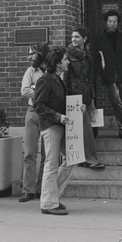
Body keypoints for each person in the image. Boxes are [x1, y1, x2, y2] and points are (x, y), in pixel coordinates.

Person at [33, 48, 81, 215]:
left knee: (71, 159)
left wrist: (76, 109)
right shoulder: (45, 80)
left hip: (59, 125)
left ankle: (52, 196)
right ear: (58, 63)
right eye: (65, 60)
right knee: (51, 164)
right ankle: (48, 203)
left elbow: (62, 102)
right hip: (51, 126)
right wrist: (58, 116)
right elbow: (38, 105)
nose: (68, 62)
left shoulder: (58, 79)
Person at [92, 10, 122, 139]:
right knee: (116, 101)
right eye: (110, 21)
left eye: (114, 22)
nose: (112, 24)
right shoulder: (99, 38)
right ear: (106, 22)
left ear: (118, 23)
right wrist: (101, 72)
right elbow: (95, 58)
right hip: (109, 75)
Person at [65, 26, 105, 169]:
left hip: (86, 95)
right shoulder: (68, 54)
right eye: (72, 37)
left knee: (87, 127)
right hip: (74, 96)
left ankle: (84, 158)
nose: (73, 39)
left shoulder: (87, 55)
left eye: (77, 37)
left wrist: (92, 99)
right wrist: (69, 98)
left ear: (84, 39)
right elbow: (65, 78)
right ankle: (90, 159)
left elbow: (91, 78)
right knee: (85, 127)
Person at [19, 43, 51, 202]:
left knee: (47, 155)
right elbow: (24, 91)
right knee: (29, 153)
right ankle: (28, 190)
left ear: (42, 54)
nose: (29, 57)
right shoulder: (30, 71)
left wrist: (35, 89)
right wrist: (44, 94)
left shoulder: (53, 71)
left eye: (32, 54)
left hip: (48, 115)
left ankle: (41, 189)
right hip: (32, 113)